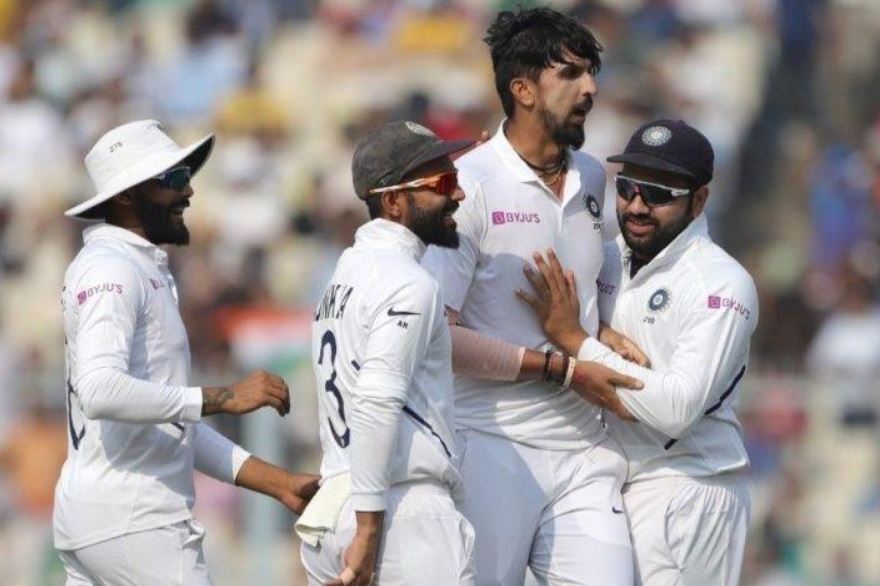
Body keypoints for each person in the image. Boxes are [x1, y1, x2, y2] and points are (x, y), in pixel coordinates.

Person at [421, 7, 644, 585]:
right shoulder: (468, 186)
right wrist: (562, 369)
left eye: (591, 72)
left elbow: (590, 278)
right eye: (569, 74)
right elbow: (438, 335)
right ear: (522, 89)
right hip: (491, 447)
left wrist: (603, 327)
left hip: (585, 448)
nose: (590, 89)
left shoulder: (592, 175)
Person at [55, 119, 320, 585]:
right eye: (174, 178)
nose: (190, 191)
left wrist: (277, 483)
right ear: (127, 195)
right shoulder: (112, 270)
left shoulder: (136, 267)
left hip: (109, 517)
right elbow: (99, 390)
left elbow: (167, 423)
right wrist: (224, 397)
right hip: (135, 520)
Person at [518, 119, 758, 585]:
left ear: (699, 200)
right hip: (611, 483)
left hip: (690, 487)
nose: (636, 206)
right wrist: (599, 332)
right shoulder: (605, 258)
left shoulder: (722, 284)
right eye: (627, 188)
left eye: (659, 194)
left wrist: (579, 342)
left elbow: (677, 408)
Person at [298, 121, 476, 586]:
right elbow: (376, 401)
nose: (458, 195)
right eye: (443, 183)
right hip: (397, 513)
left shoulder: (343, 274)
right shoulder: (408, 282)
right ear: (394, 201)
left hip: (337, 503)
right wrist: (369, 528)